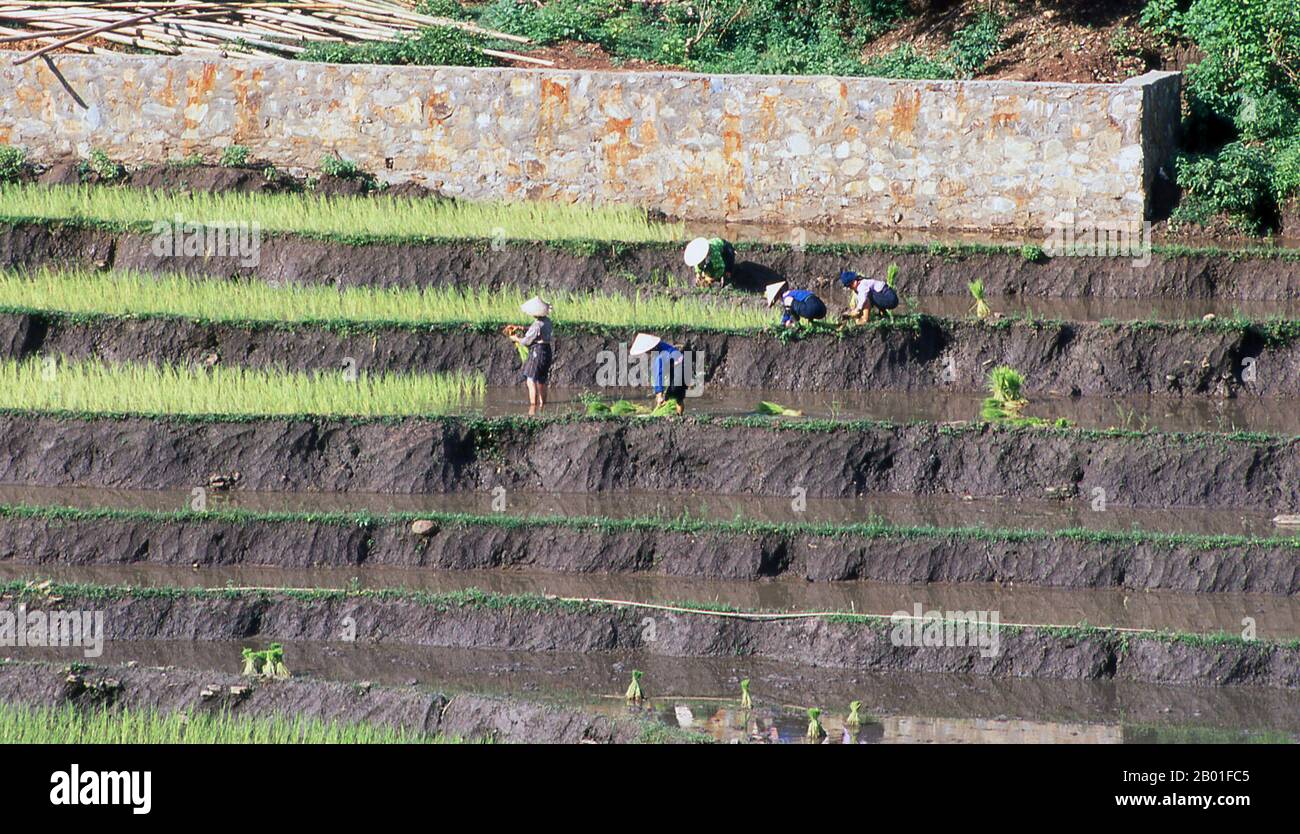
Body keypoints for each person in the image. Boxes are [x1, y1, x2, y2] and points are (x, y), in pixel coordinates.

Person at [511, 296, 553, 414]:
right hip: (547, 351)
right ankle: (542, 406)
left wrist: (515, 338)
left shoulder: (536, 325)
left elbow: (526, 341)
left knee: (531, 380)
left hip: (537, 353)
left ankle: (532, 409)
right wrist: (522, 328)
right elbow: (537, 331)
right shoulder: (547, 321)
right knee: (542, 380)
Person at [630, 332, 687, 414]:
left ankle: (675, 417)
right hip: (680, 366)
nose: (646, 353)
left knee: (671, 397)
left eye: (647, 351)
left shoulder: (658, 356)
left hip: (679, 370)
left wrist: (660, 395)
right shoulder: (660, 345)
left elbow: (659, 374)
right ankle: (679, 416)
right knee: (678, 398)